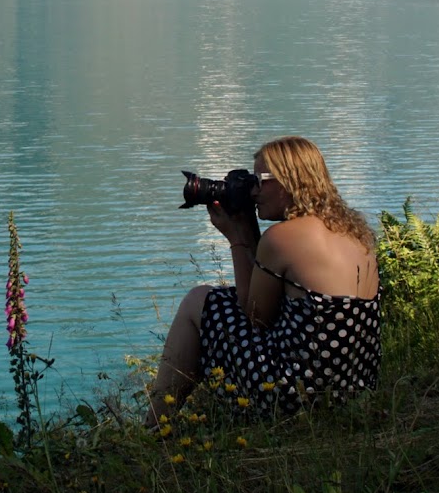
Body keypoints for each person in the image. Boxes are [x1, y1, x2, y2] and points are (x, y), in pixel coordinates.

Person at [146, 136, 380, 428]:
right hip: (353, 389)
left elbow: (256, 316)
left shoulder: (284, 237)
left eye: (259, 180)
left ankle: (154, 426)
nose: (252, 191)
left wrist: (238, 237)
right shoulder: (354, 231)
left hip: (296, 395)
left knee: (200, 300)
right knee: (217, 304)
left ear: (287, 180)